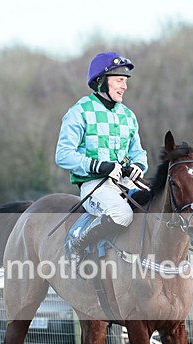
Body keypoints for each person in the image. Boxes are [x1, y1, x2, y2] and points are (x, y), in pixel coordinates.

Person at [55, 52, 149, 261]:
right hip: (94, 185)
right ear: (100, 81)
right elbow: (62, 155)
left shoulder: (128, 115)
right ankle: (78, 241)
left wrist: (138, 166)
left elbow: (138, 152)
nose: (124, 86)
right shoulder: (79, 112)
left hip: (126, 183)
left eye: (125, 81)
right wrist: (98, 166)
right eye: (118, 80)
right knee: (122, 214)